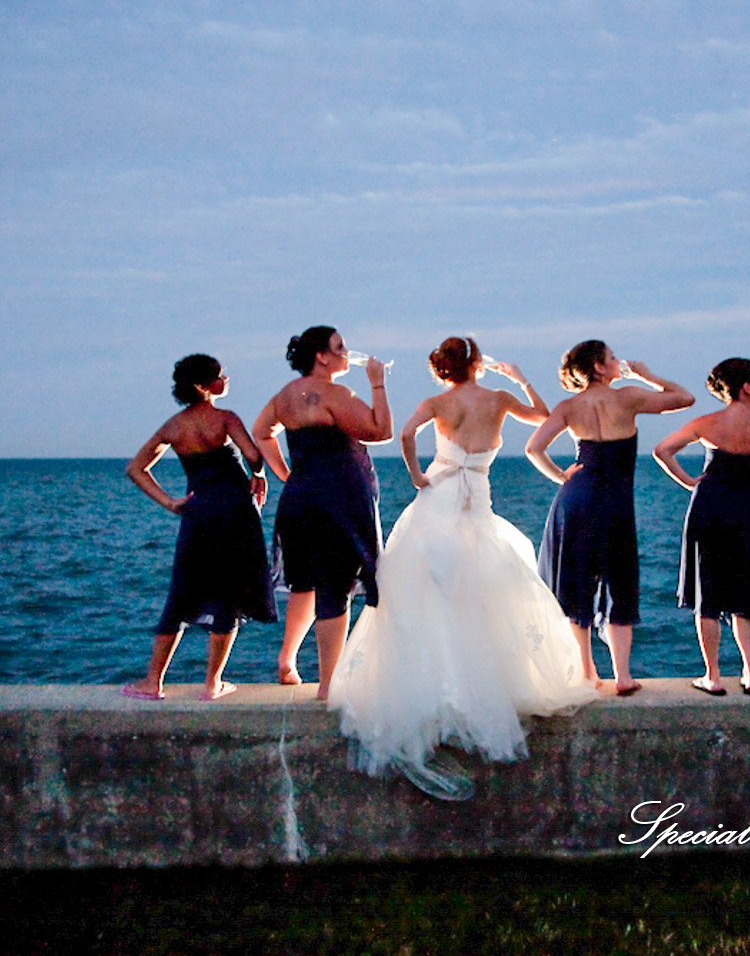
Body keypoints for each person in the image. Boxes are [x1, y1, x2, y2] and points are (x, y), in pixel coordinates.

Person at [328, 337, 597, 799]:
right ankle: (476, 689)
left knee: (427, 597)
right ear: (475, 364)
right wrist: (519, 378)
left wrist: (415, 475)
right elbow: (541, 413)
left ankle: (437, 689)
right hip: (478, 505)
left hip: (438, 501)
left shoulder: (436, 402)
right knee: (481, 595)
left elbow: (407, 436)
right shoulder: (499, 399)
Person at [525, 340, 694, 696]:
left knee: (577, 585)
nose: (618, 361)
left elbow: (533, 448)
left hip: (577, 499)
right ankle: (623, 676)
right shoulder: (628, 396)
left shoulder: (569, 406)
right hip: (615, 503)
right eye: (612, 358)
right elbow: (684, 397)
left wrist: (560, 476)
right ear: (599, 367)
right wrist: (648, 375)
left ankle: (587, 672)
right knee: (620, 584)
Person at [121, 354, 276, 701]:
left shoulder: (173, 426)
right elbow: (253, 455)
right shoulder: (225, 418)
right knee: (228, 597)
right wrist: (259, 475)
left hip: (199, 512)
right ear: (205, 386)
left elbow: (136, 469)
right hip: (236, 512)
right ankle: (212, 684)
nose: (227, 380)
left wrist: (171, 502)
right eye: (221, 376)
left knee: (182, 594)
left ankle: (152, 682)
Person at [652, 358, 750, 695]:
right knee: (741, 594)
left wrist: (691, 484)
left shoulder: (706, 422)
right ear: (748, 387)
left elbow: (662, 450)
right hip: (744, 514)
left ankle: (712, 677)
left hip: (706, 509)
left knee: (706, 598)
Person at [253, 326, 390, 701]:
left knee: (306, 583)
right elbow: (380, 430)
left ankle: (287, 661)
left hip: (300, 496)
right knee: (335, 586)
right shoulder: (335, 393)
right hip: (339, 497)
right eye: (340, 347)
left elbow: (261, 432)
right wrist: (377, 384)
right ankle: (329, 684)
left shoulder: (285, 396)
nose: (347, 352)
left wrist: (286, 475)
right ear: (322, 356)